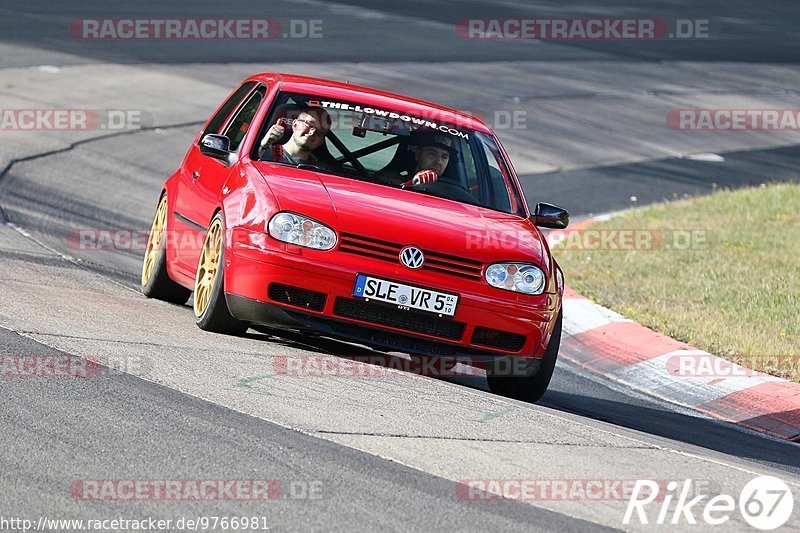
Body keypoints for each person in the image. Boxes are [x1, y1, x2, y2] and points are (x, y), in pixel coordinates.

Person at [378, 130, 455, 188]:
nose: (438, 161)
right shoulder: (389, 182)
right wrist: (410, 184)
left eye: (444, 157)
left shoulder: (452, 194)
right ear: (418, 154)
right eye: (432, 154)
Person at [259, 107, 331, 167]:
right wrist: (263, 146)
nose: (312, 133)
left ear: (322, 141)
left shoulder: (321, 169)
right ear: (295, 125)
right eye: (309, 124)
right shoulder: (265, 153)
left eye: (320, 132)